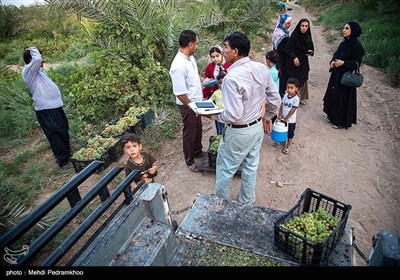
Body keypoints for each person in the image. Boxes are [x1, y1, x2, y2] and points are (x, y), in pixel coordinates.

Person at [211, 31, 281, 204]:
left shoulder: (231, 78)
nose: (223, 51)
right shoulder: (261, 68)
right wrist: (267, 117)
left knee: (226, 169)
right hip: (256, 128)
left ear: (235, 52)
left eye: (225, 47)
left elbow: (233, 114)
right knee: (250, 166)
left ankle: (222, 204)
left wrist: (213, 115)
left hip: (239, 132)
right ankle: (247, 202)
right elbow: (275, 99)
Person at [22, 46, 71, 168]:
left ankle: (67, 155)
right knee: (55, 134)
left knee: (63, 129)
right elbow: (37, 59)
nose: (42, 61)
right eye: (39, 57)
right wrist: (32, 48)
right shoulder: (28, 72)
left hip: (54, 107)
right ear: (31, 59)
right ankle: (63, 161)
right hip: (46, 109)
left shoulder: (37, 72)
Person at [169, 30, 204, 172]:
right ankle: (190, 161)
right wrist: (192, 107)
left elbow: (194, 76)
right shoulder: (178, 66)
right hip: (188, 105)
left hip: (196, 102)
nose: (197, 46)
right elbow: (180, 94)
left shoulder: (190, 58)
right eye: (196, 44)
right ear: (190, 44)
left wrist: (205, 80)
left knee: (198, 129)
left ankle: (198, 151)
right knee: (189, 133)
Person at [323, 21, 365, 129]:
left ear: (353, 31)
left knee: (342, 98)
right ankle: (332, 116)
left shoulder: (357, 46)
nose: (344, 30)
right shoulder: (343, 43)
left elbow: (356, 63)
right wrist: (332, 62)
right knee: (333, 95)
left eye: (347, 28)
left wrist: (344, 63)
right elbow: (336, 55)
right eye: (344, 28)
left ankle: (340, 121)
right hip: (336, 74)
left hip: (346, 77)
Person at [203, 45, 232, 135]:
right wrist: (206, 96)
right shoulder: (209, 67)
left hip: (227, 96)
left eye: (217, 56)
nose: (215, 59)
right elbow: (207, 83)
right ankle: (219, 136)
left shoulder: (229, 65)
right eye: (213, 57)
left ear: (222, 54)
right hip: (215, 96)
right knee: (217, 118)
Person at [285, 18, 314, 105]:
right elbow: (287, 49)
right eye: (302, 26)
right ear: (299, 26)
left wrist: (310, 52)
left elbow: (311, 48)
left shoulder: (308, 36)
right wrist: (294, 57)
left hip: (304, 62)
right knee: (294, 79)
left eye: (306, 26)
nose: (304, 28)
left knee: (303, 78)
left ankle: (300, 98)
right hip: (294, 63)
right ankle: (290, 98)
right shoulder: (294, 37)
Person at [272, 13, 293, 97]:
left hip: (277, 57)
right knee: (282, 75)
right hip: (281, 58)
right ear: (282, 23)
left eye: (290, 23)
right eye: (287, 23)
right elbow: (283, 49)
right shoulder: (282, 35)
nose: (289, 25)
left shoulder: (277, 31)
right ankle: (280, 93)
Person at [278, 78, 300, 154]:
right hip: (283, 118)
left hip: (291, 120)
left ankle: (288, 145)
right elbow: (281, 104)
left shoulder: (296, 99)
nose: (289, 90)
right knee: (283, 131)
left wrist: (287, 118)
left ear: (296, 89)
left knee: (290, 133)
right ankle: (282, 142)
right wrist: (280, 114)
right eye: (288, 88)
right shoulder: (285, 95)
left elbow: (293, 109)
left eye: (291, 88)